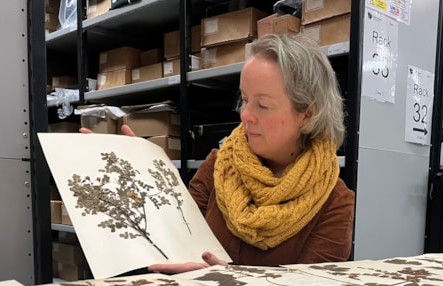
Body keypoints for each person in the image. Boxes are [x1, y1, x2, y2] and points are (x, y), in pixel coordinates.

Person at [143, 33, 353, 273]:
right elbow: (176, 238)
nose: (245, 115)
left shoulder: (334, 203)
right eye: (244, 99)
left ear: (306, 115)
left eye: (262, 105)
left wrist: (232, 280)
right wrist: (145, 177)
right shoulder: (218, 166)